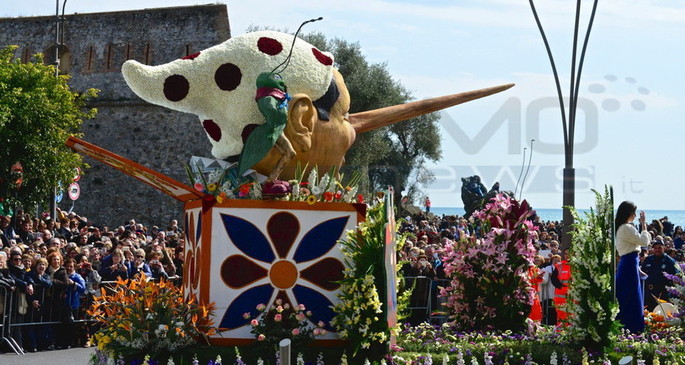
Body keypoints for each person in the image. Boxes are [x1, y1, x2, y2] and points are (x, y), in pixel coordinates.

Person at [615, 201, 651, 333]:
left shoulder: (621, 227)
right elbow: (644, 241)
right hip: (629, 263)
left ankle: (628, 328)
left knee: (628, 295)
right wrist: (643, 224)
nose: (635, 215)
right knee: (631, 297)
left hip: (630, 263)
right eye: (634, 213)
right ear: (629, 213)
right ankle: (632, 328)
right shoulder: (626, 227)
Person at [641, 240, 680, 311]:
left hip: (663, 294)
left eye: (659, 248)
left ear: (664, 248)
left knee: (661, 315)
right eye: (655, 248)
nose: (657, 250)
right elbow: (642, 274)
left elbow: (675, 278)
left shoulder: (670, 262)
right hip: (649, 293)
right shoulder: (648, 260)